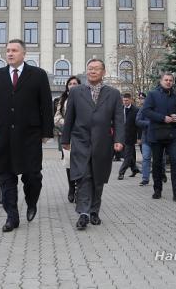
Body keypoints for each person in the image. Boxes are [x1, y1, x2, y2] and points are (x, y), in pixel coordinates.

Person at [0, 39, 53, 233]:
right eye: (7, 51)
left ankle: (31, 202)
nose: (10, 53)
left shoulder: (38, 75)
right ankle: (12, 216)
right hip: (3, 135)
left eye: (14, 50)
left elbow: (46, 105)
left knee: (32, 176)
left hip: (30, 135)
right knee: (5, 177)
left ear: (24, 54)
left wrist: (47, 131)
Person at [61, 59, 125, 230]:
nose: (93, 71)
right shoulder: (76, 92)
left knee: (98, 178)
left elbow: (119, 119)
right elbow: (70, 118)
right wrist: (65, 140)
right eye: (90, 69)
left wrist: (119, 140)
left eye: (97, 69)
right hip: (80, 140)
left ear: (103, 72)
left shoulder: (113, 94)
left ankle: (94, 210)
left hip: (103, 142)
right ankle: (83, 213)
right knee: (83, 176)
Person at [142, 72, 176, 202]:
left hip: (172, 134)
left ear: (173, 82)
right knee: (157, 164)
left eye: (170, 80)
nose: (168, 82)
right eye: (166, 80)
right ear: (161, 81)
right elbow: (146, 111)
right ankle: (157, 190)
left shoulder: (175, 97)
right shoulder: (152, 94)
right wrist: (163, 118)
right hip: (156, 134)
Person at [54, 75, 81, 203]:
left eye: (75, 83)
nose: (72, 85)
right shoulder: (63, 99)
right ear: (67, 86)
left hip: (82, 136)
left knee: (81, 163)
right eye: (70, 84)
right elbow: (56, 118)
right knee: (69, 163)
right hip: (68, 136)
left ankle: (79, 190)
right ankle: (71, 188)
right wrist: (67, 122)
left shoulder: (85, 98)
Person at [118, 92, 141, 179]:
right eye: (124, 100)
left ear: (130, 100)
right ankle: (134, 169)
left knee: (127, 156)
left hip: (131, 137)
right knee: (128, 155)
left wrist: (139, 137)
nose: (125, 102)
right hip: (121, 136)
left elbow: (138, 125)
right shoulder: (120, 109)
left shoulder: (136, 110)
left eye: (127, 100)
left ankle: (121, 173)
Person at [135, 93, 152, 186]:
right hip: (146, 137)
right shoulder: (143, 109)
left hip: (157, 137)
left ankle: (161, 174)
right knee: (146, 158)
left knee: (160, 159)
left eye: (143, 98)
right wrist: (149, 123)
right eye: (140, 98)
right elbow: (137, 121)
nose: (142, 100)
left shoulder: (156, 107)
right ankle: (145, 178)